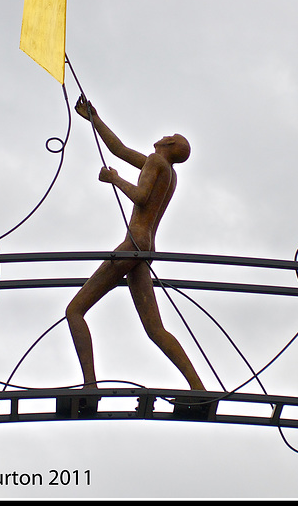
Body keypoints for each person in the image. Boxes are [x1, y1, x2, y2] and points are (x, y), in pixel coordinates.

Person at [66, 95, 205, 391]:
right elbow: (119, 149)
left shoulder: (156, 162)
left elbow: (141, 198)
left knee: (75, 310)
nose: (164, 136)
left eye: (170, 136)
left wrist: (114, 179)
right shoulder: (167, 172)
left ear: (168, 146)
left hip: (134, 244)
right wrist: (94, 119)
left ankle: (90, 386)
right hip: (146, 248)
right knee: (155, 329)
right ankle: (198, 387)